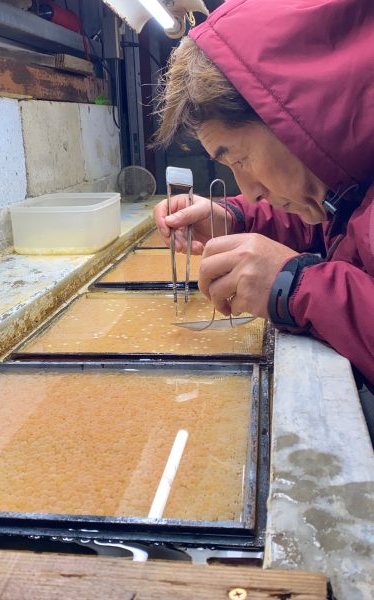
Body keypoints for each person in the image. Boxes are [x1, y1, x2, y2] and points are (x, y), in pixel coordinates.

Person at [153, 0, 374, 394]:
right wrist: (234, 217)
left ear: (296, 121)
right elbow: (332, 225)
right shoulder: (350, 184)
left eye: (240, 159)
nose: (250, 191)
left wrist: (295, 285)